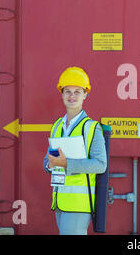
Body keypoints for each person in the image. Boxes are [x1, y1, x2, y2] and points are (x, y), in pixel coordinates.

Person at [43, 66, 107, 235]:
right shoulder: (57, 126)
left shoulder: (91, 128)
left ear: (85, 94)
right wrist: (51, 164)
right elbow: (47, 161)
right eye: (68, 91)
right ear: (62, 94)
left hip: (79, 204)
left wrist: (66, 163)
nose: (72, 96)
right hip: (60, 201)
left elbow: (100, 165)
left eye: (77, 91)